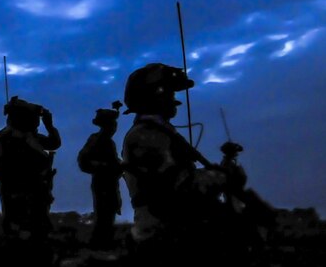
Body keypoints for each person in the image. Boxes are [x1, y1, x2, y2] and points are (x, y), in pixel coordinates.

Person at [120, 63, 224, 245]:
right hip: (163, 232)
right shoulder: (146, 136)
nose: (173, 99)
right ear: (155, 96)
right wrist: (217, 177)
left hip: (174, 228)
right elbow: (172, 184)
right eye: (169, 93)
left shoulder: (160, 131)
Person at [0, 96, 61, 241]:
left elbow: (54, 143)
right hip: (15, 191)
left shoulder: (31, 137)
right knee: (17, 230)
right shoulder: (5, 138)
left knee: (38, 228)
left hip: (37, 191)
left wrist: (49, 125)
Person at [77, 101, 124, 248]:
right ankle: (101, 243)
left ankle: (104, 241)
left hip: (107, 182)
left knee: (108, 212)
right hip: (103, 183)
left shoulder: (106, 141)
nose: (114, 128)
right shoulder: (97, 140)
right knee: (105, 213)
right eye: (112, 124)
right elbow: (84, 160)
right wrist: (106, 167)